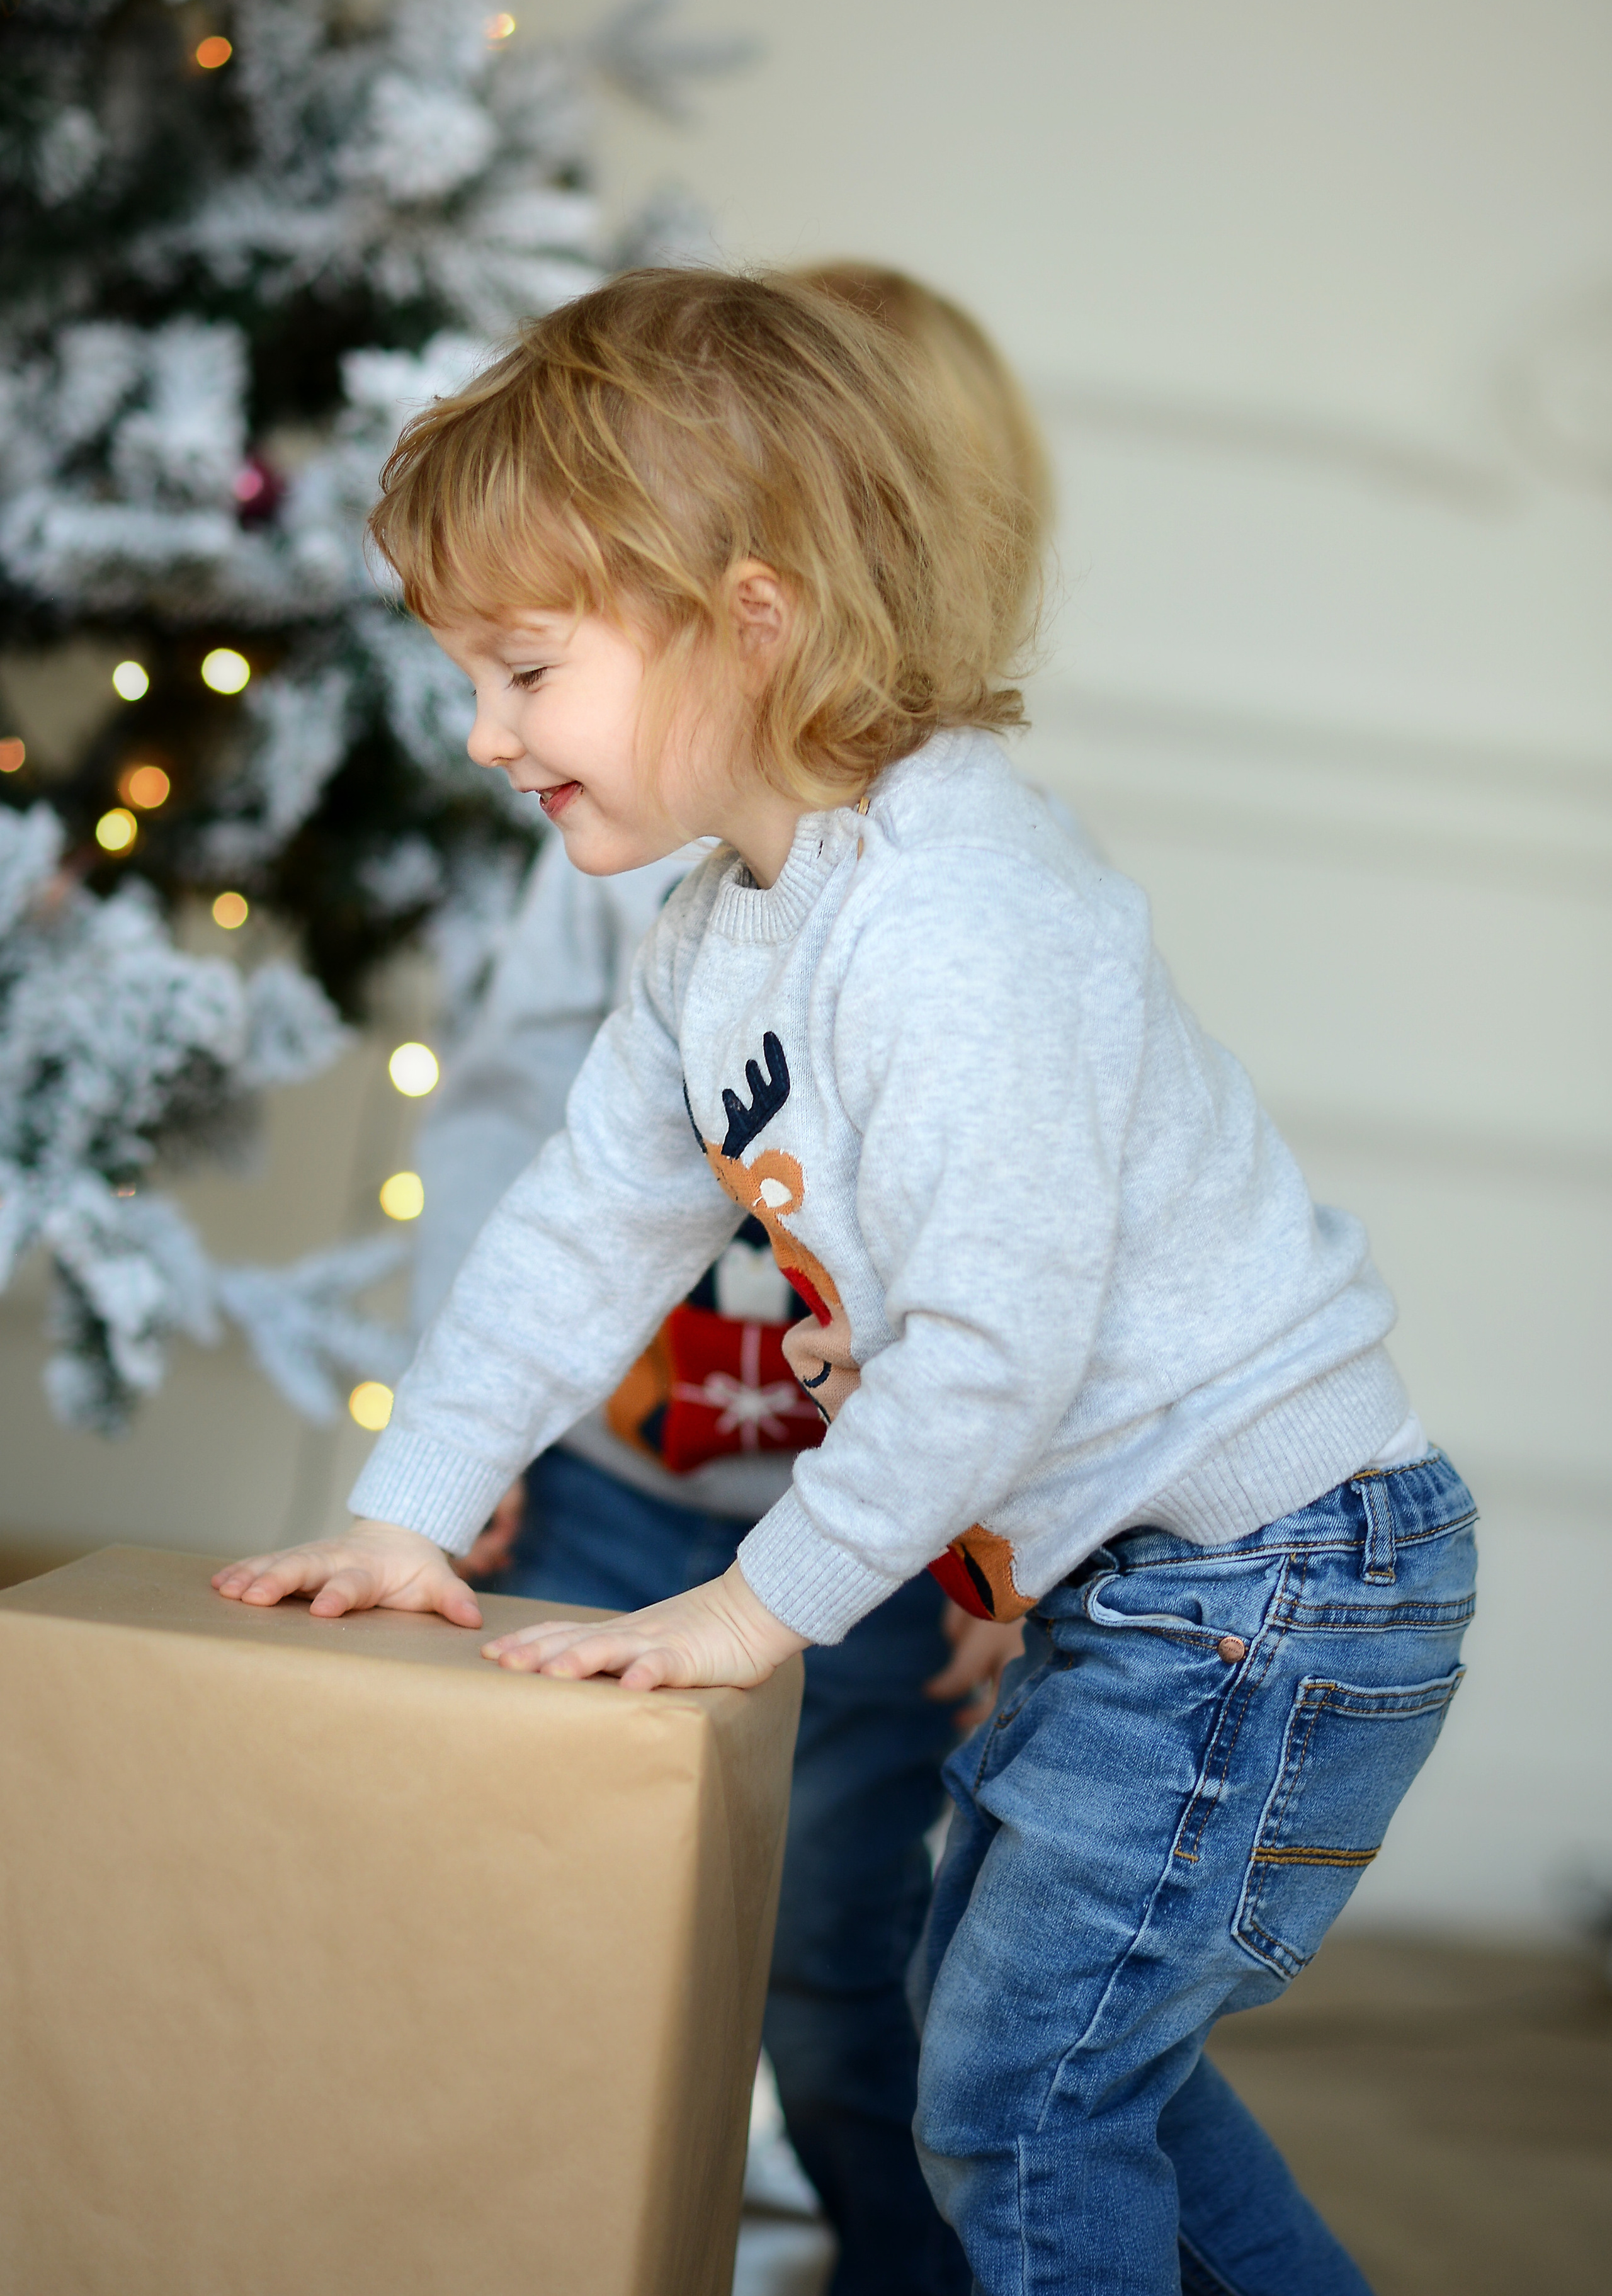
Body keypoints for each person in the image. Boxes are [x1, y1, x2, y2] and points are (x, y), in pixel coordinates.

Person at [216, 268, 1477, 2296]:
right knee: (1072, 2067)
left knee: (1009, 2092)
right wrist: (408, 1509)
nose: (482, 731)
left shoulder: (960, 916)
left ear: (752, 616)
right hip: (1168, 1585)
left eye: (525, 668)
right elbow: (575, 1230)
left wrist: (750, 1607)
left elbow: (997, 1347)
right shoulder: (725, 933)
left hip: (1277, 1573)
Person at [406, 266, 1055, 2296]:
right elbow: (539, 1151)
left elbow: (1030, 1275)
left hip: (846, 1541)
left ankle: (905, 2267)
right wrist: (458, 1444)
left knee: (827, 1972)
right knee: (506, 1910)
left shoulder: (971, 889)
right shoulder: (615, 826)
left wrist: (1002, 1553)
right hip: (613, 1482)